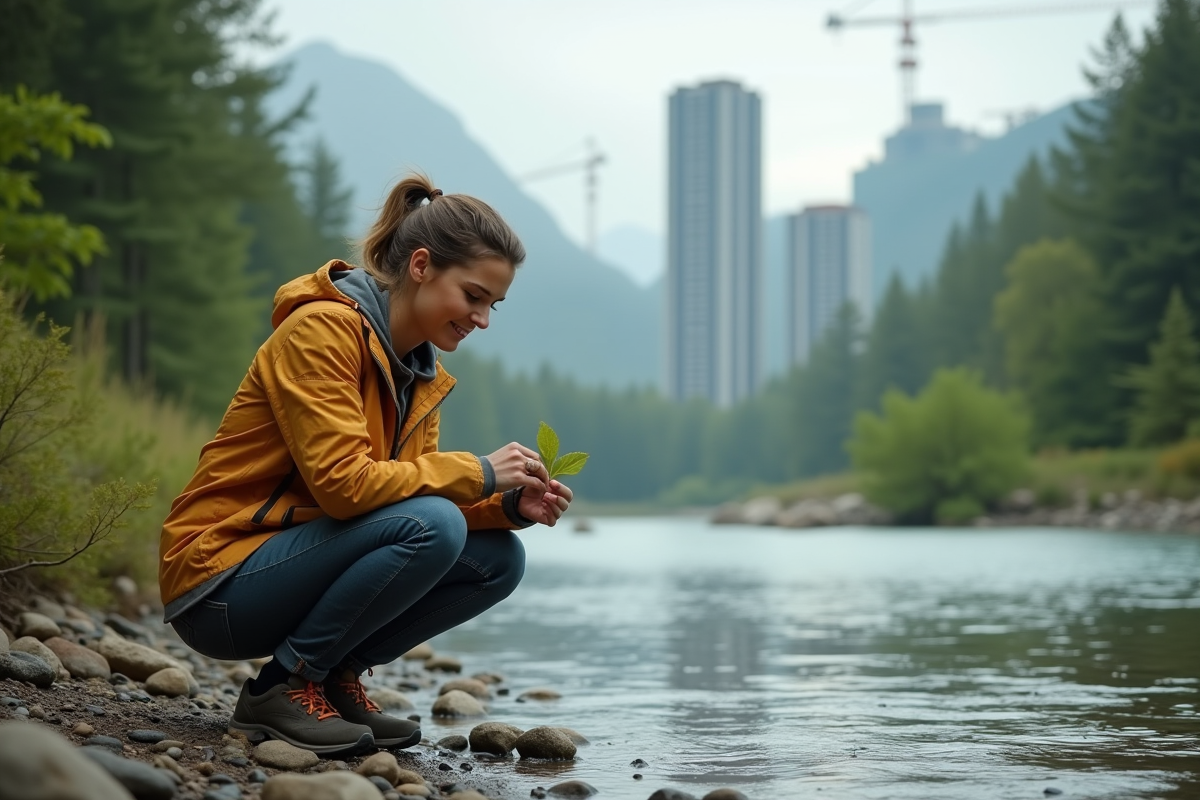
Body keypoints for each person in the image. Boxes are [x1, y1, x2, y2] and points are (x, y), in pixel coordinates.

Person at [158, 175, 573, 755]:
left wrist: (506, 505)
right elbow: (344, 488)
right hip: (219, 582)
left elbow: (405, 498)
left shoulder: (418, 373)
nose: (483, 319)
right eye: (474, 296)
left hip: (289, 561)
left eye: (493, 305)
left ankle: (329, 680)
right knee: (436, 523)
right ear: (422, 266)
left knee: (498, 559)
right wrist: (477, 471)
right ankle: (279, 688)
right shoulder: (321, 331)